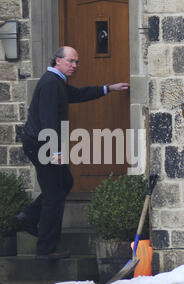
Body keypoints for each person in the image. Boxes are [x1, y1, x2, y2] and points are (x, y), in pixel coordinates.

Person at [17, 46, 129, 260]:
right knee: (54, 195)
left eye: (77, 62)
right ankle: (45, 250)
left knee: (64, 183)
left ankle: (29, 217)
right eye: (71, 61)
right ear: (57, 60)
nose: (75, 66)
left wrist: (108, 88)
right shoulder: (51, 83)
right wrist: (54, 151)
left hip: (42, 144)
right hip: (42, 145)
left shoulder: (57, 82)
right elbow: (49, 118)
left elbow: (77, 94)